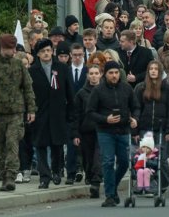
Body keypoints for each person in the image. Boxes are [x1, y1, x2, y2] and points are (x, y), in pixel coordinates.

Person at [0, 34, 35, 191]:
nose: (12, 51)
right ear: (2, 48)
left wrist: (31, 109)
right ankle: (3, 174)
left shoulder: (19, 65)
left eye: (13, 48)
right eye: (9, 48)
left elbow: (28, 88)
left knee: (12, 144)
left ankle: (10, 177)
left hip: (15, 113)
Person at [86, 60, 139, 207]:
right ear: (105, 74)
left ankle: (113, 186)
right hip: (105, 132)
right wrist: (105, 119)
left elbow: (135, 106)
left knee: (124, 162)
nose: (114, 75)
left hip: (123, 131)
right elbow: (90, 112)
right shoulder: (98, 90)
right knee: (108, 161)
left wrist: (135, 118)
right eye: (111, 73)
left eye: (116, 72)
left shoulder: (126, 88)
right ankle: (109, 195)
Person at [28, 38, 75, 189]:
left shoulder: (61, 68)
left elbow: (70, 92)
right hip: (40, 113)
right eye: (42, 51)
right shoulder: (32, 70)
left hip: (58, 113)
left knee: (57, 144)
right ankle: (44, 176)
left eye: (48, 50)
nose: (46, 53)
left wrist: (70, 112)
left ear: (52, 51)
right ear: (38, 54)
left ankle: (56, 170)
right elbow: (29, 93)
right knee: (40, 145)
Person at [133, 60, 169, 195]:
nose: (153, 71)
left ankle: (164, 183)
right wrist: (135, 130)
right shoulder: (140, 88)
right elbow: (136, 109)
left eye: (156, 69)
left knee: (161, 158)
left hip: (162, 129)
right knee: (144, 158)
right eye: (151, 69)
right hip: (145, 128)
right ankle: (147, 184)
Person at [72, 61, 104, 198]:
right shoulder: (81, 94)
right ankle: (90, 176)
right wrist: (75, 133)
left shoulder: (105, 91)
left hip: (102, 130)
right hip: (86, 131)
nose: (94, 76)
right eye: (91, 74)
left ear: (101, 75)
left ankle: (96, 181)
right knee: (88, 159)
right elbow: (76, 115)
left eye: (96, 73)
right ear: (87, 76)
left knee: (98, 157)